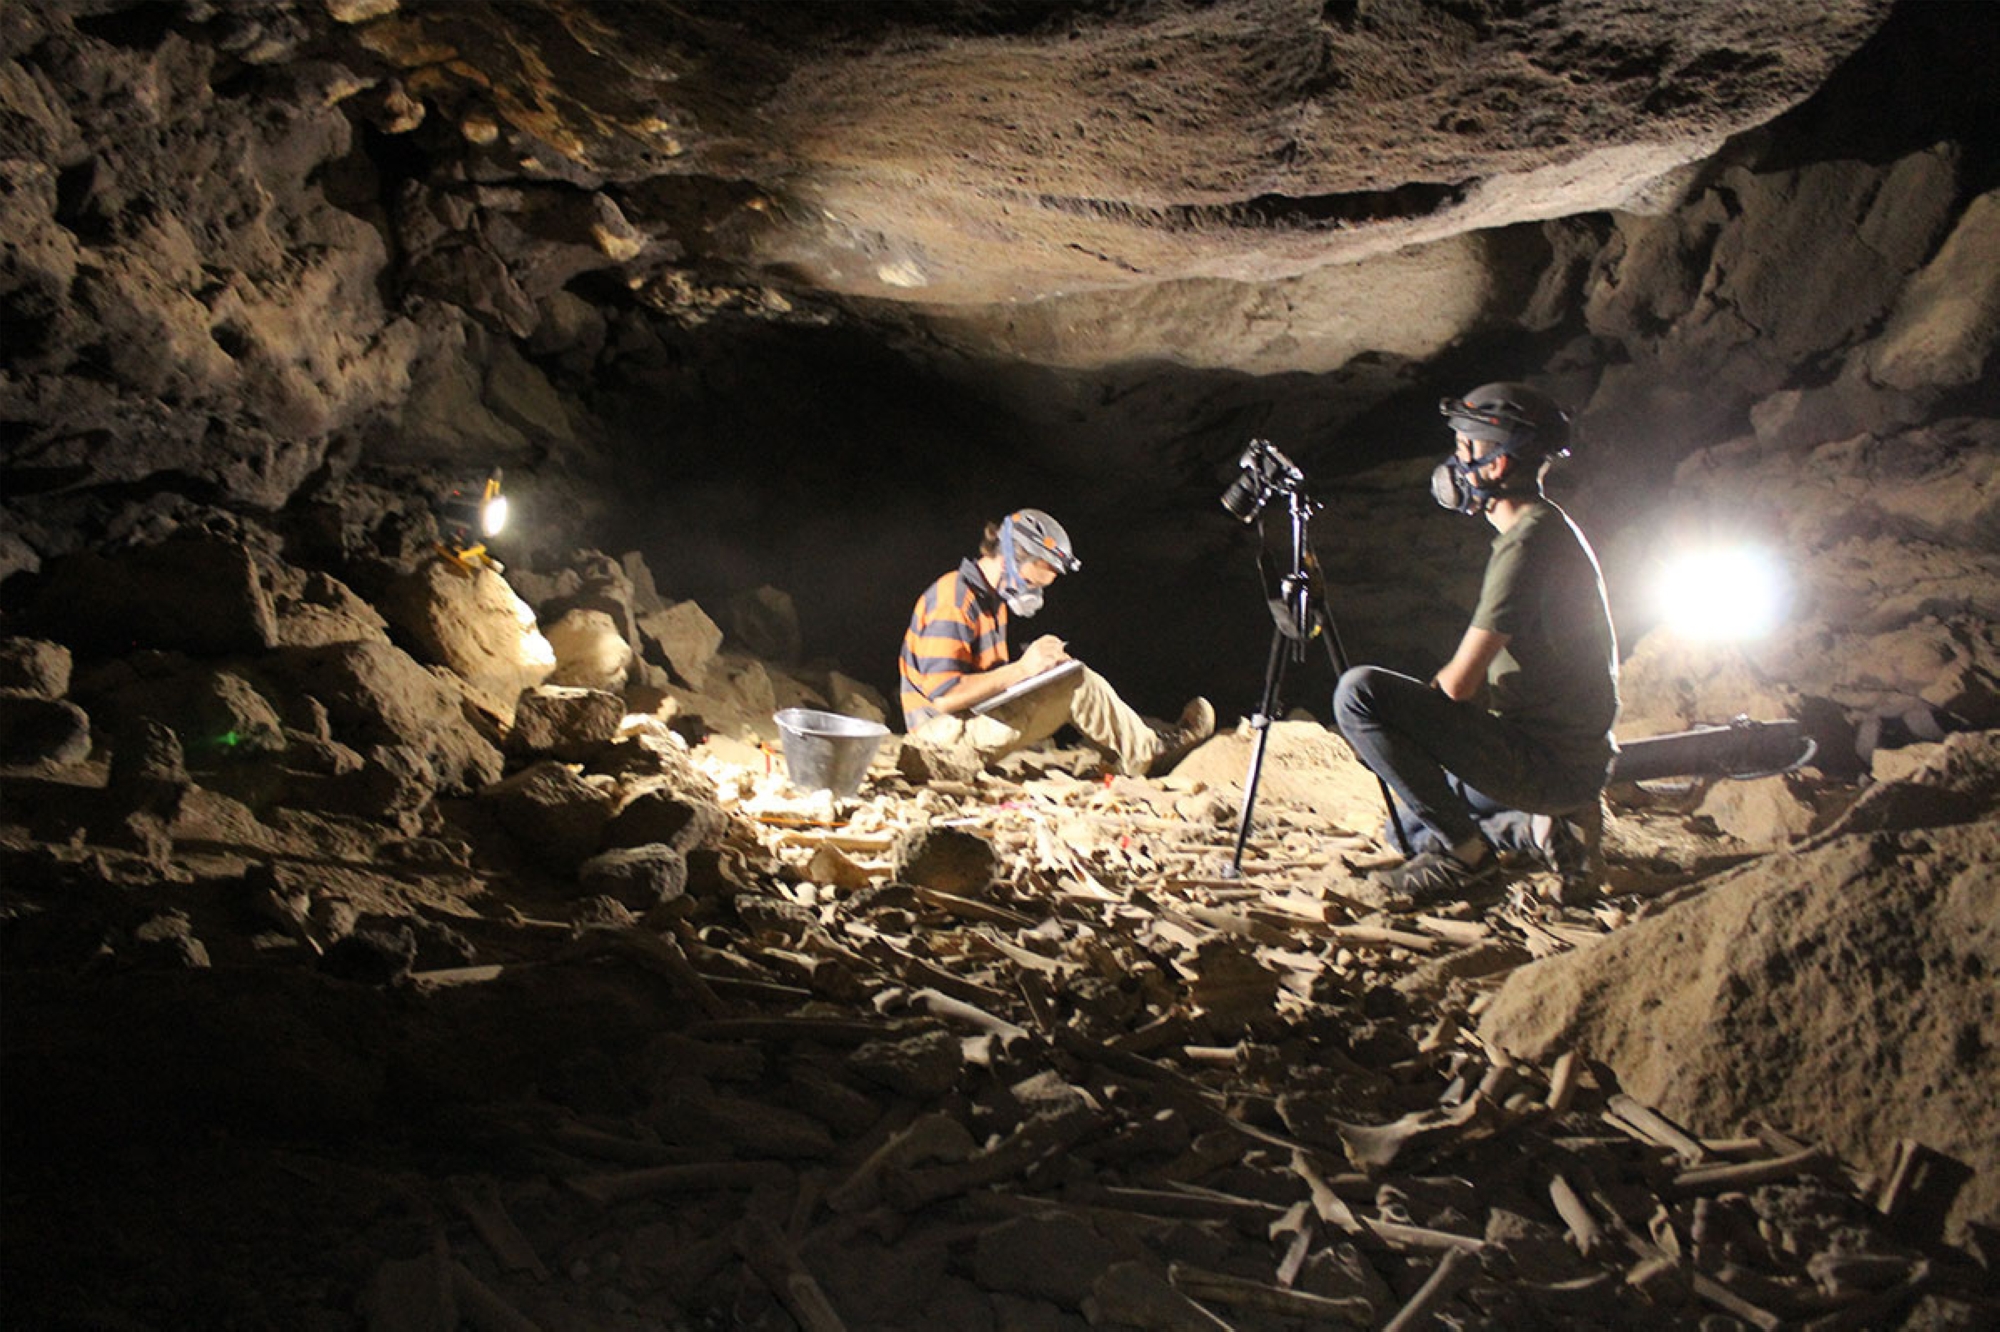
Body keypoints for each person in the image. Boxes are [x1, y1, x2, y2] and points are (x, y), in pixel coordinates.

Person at [1332, 382, 1619, 903]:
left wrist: (1407, 731)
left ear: (1497, 464)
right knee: (1408, 830)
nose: (1456, 460)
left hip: (1546, 763)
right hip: (1572, 758)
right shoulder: (1547, 529)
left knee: (1358, 695)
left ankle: (1470, 861)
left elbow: (1459, 687)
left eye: (1466, 447)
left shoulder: (1527, 546)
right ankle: (1538, 831)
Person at [899, 509, 1215, 776]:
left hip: (959, 728)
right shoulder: (953, 600)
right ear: (1011, 557)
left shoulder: (989, 601)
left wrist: (1039, 673)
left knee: (1067, 676)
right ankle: (1149, 754)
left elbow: (985, 686)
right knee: (1075, 683)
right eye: (1032, 583)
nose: (1034, 594)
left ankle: (1143, 742)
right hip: (937, 744)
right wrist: (1023, 670)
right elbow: (944, 695)